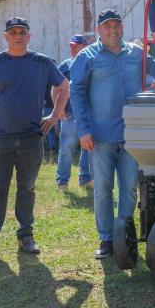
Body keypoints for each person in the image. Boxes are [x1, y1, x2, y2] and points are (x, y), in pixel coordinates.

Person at [0, 17, 69, 266]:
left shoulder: (41, 62)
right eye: (12, 32)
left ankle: (25, 235)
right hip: (0, 138)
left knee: (26, 189)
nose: (17, 36)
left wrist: (56, 115)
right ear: (5, 36)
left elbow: (64, 86)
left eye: (22, 32)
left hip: (30, 138)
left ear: (29, 35)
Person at [70, 9, 155, 259]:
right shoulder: (86, 57)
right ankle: (107, 239)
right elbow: (76, 92)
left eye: (116, 26)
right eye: (107, 27)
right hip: (99, 135)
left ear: (122, 27)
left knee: (130, 187)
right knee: (102, 188)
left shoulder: (137, 52)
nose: (112, 31)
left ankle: (124, 234)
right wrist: (83, 129)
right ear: (99, 30)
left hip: (132, 134)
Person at [56, 34, 93, 191]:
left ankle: (85, 179)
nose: (71, 47)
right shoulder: (66, 65)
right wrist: (59, 108)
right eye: (70, 45)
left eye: (75, 45)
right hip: (70, 115)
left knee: (88, 148)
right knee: (66, 149)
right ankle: (62, 181)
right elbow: (55, 86)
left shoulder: (92, 63)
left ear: (84, 46)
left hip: (88, 115)